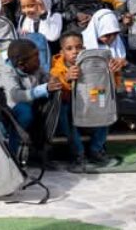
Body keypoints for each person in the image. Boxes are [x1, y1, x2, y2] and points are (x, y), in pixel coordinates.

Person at [51, 32, 109, 169]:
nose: (75, 52)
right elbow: (55, 91)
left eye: (78, 47)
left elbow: (107, 86)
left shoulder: (93, 65)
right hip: (69, 114)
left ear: (84, 49)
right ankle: (78, 152)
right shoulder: (56, 69)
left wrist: (112, 72)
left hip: (89, 109)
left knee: (106, 103)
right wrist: (66, 79)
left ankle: (96, 149)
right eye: (69, 48)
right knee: (64, 110)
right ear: (62, 52)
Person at [0, 39, 61, 152]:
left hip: (33, 104)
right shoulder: (8, 73)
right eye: (36, 57)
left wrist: (52, 80)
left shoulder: (35, 67)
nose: (39, 59)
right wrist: (44, 88)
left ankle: (40, 147)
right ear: (22, 64)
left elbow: (46, 77)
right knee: (25, 113)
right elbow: (16, 96)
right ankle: (14, 149)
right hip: (13, 108)